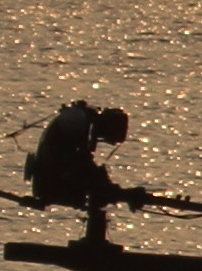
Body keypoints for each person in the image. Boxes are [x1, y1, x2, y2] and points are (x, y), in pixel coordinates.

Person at [22, 101, 132, 247]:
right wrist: (102, 184)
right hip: (50, 175)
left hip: (52, 171)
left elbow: (80, 159)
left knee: (94, 177)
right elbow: (78, 159)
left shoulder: (83, 119)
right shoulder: (77, 120)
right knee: (94, 179)